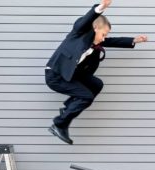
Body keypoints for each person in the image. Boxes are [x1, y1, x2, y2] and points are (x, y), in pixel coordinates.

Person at [45, 0, 148, 144]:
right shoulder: (79, 33)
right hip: (56, 75)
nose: (104, 38)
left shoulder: (96, 42)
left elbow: (113, 41)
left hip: (72, 75)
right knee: (86, 96)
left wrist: (134, 40)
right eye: (103, 34)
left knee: (97, 84)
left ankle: (68, 108)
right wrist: (101, 7)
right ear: (95, 28)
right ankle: (59, 124)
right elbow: (85, 21)